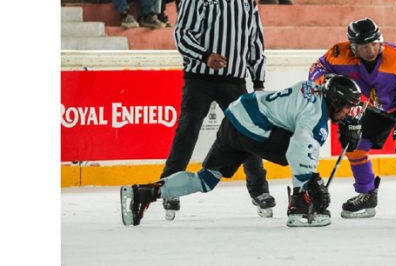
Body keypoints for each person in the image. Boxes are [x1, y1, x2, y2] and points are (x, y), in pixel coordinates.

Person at [120, 75, 364, 227]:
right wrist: (312, 181)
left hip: (235, 118)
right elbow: (301, 145)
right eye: (347, 108)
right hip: (253, 127)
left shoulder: (311, 89)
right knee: (298, 150)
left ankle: (143, 193)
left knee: (206, 178)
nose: (347, 113)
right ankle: (300, 206)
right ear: (335, 101)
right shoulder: (315, 114)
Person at [157, 0, 276, 221]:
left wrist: (258, 80)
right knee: (187, 132)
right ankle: (169, 187)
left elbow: (255, 44)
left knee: (249, 135)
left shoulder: (247, 2)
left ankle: (259, 190)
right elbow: (183, 35)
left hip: (235, 81)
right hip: (199, 79)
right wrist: (205, 55)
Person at [308, 18, 396, 221]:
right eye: (365, 46)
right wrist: (325, 79)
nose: (371, 50)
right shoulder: (340, 54)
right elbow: (318, 67)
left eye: (375, 44)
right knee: (354, 144)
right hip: (377, 106)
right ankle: (367, 193)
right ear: (354, 47)